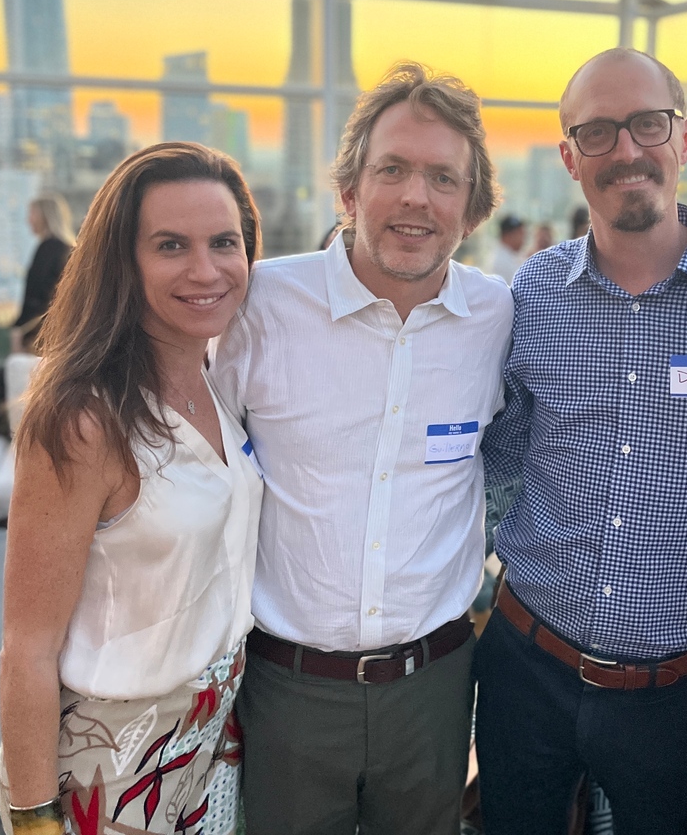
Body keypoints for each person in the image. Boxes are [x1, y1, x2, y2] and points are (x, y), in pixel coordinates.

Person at [475, 47, 687, 835]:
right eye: (598, 132)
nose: (627, 150)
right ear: (570, 157)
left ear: (685, 138)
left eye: (648, 124)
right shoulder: (535, 290)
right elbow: (501, 451)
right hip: (525, 665)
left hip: (674, 695)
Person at [210, 62, 513, 835]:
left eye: (443, 178)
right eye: (393, 170)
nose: (417, 196)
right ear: (349, 190)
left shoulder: (498, 317)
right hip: (286, 686)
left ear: (472, 207)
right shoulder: (262, 305)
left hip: (434, 688)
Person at [0, 142, 264, 835]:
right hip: (113, 765)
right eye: (171, 245)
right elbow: (27, 648)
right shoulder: (84, 420)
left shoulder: (218, 383)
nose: (206, 270)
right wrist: (33, 820)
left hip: (214, 742)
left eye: (224, 242)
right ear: (122, 261)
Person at [10, 195, 75, 354]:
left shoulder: (48, 248)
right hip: (62, 331)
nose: (28, 220)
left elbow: (38, 295)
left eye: (32, 214)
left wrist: (20, 329)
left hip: (40, 335)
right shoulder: (68, 249)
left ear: (45, 216)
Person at [489, 213, 528, 283]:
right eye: (521, 234)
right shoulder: (501, 261)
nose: (524, 240)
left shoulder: (511, 255)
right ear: (509, 235)